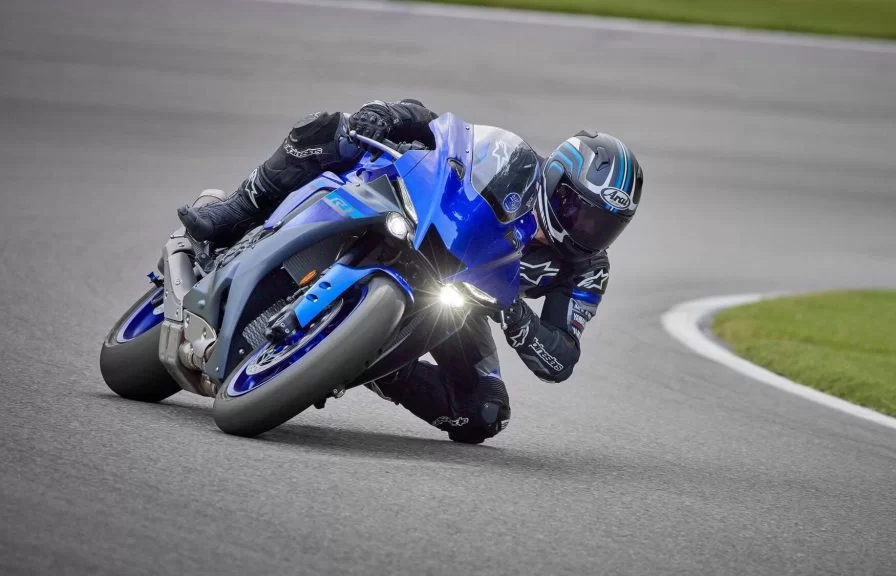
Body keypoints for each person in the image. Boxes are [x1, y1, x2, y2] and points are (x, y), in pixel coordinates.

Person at [177, 99, 643, 444]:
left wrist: (516, 316)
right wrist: (393, 116)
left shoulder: (587, 270)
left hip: (458, 300)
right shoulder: (517, 166)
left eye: (604, 225)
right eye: (578, 209)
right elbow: (448, 132)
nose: (587, 229)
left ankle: (354, 361)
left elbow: (561, 359)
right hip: (416, 220)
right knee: (330, 129)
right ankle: (236, 211)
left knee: (483, 415)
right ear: (557, 180)